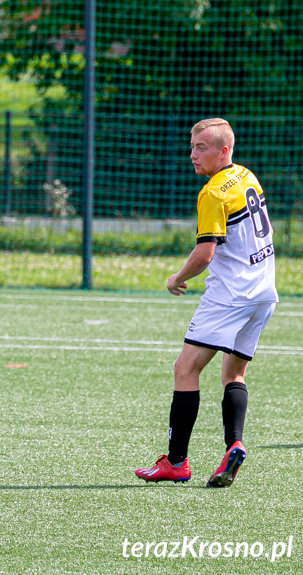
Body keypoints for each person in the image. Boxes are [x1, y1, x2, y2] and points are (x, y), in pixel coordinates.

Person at [134, 118, 277, 487]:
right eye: (192, 146)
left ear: (223, 151)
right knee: (234, 374)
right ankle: (234, 445)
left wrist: (176, 278)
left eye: (201, 148)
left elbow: (205, 254)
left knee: (185, 369)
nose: (192, 155)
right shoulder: (246, 175)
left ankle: (177, 463)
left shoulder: (212, 193)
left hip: (231, 296)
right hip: (264, 292)